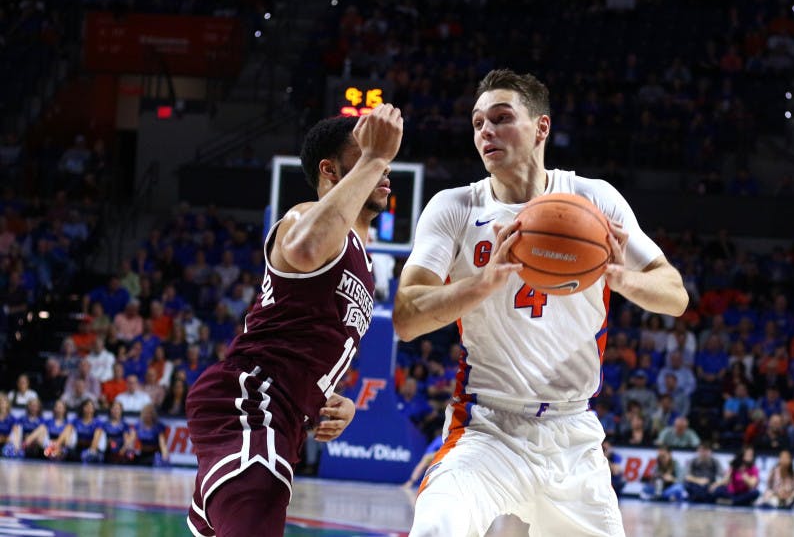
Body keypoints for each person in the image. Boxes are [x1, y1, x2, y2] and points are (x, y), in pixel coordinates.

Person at [394, 69, 687, 536]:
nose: (486, 131)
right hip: (485, 427)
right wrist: (484, 282)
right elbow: (407, 318)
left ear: (541, 127)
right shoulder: (455, 208)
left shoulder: (592, 200)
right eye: (477, 123)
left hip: (573, 437)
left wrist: (618, 277)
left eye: (501, 118)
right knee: (436, 528)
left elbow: (674, 295)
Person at [186, 105, 402, 536]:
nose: (385, 169)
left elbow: (303, 340)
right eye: (366, 154)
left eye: (385, 160)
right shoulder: (304, 217)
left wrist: (332, 399)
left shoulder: (363, 261)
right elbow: (304, 249)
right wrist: (376, 155)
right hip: (254, 401)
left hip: (283, 417)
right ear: (329, 169)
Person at [71, 398, 105, 463]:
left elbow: (96, 440)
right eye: (86, 406)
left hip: (93, 450)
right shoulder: (76, 421)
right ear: (82, 408)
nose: (89, 409)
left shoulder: (98, 422)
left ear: (93, 409)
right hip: (78, 449)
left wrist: (90, 451)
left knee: (89, 456)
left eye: (91, 407)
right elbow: (68, 431)